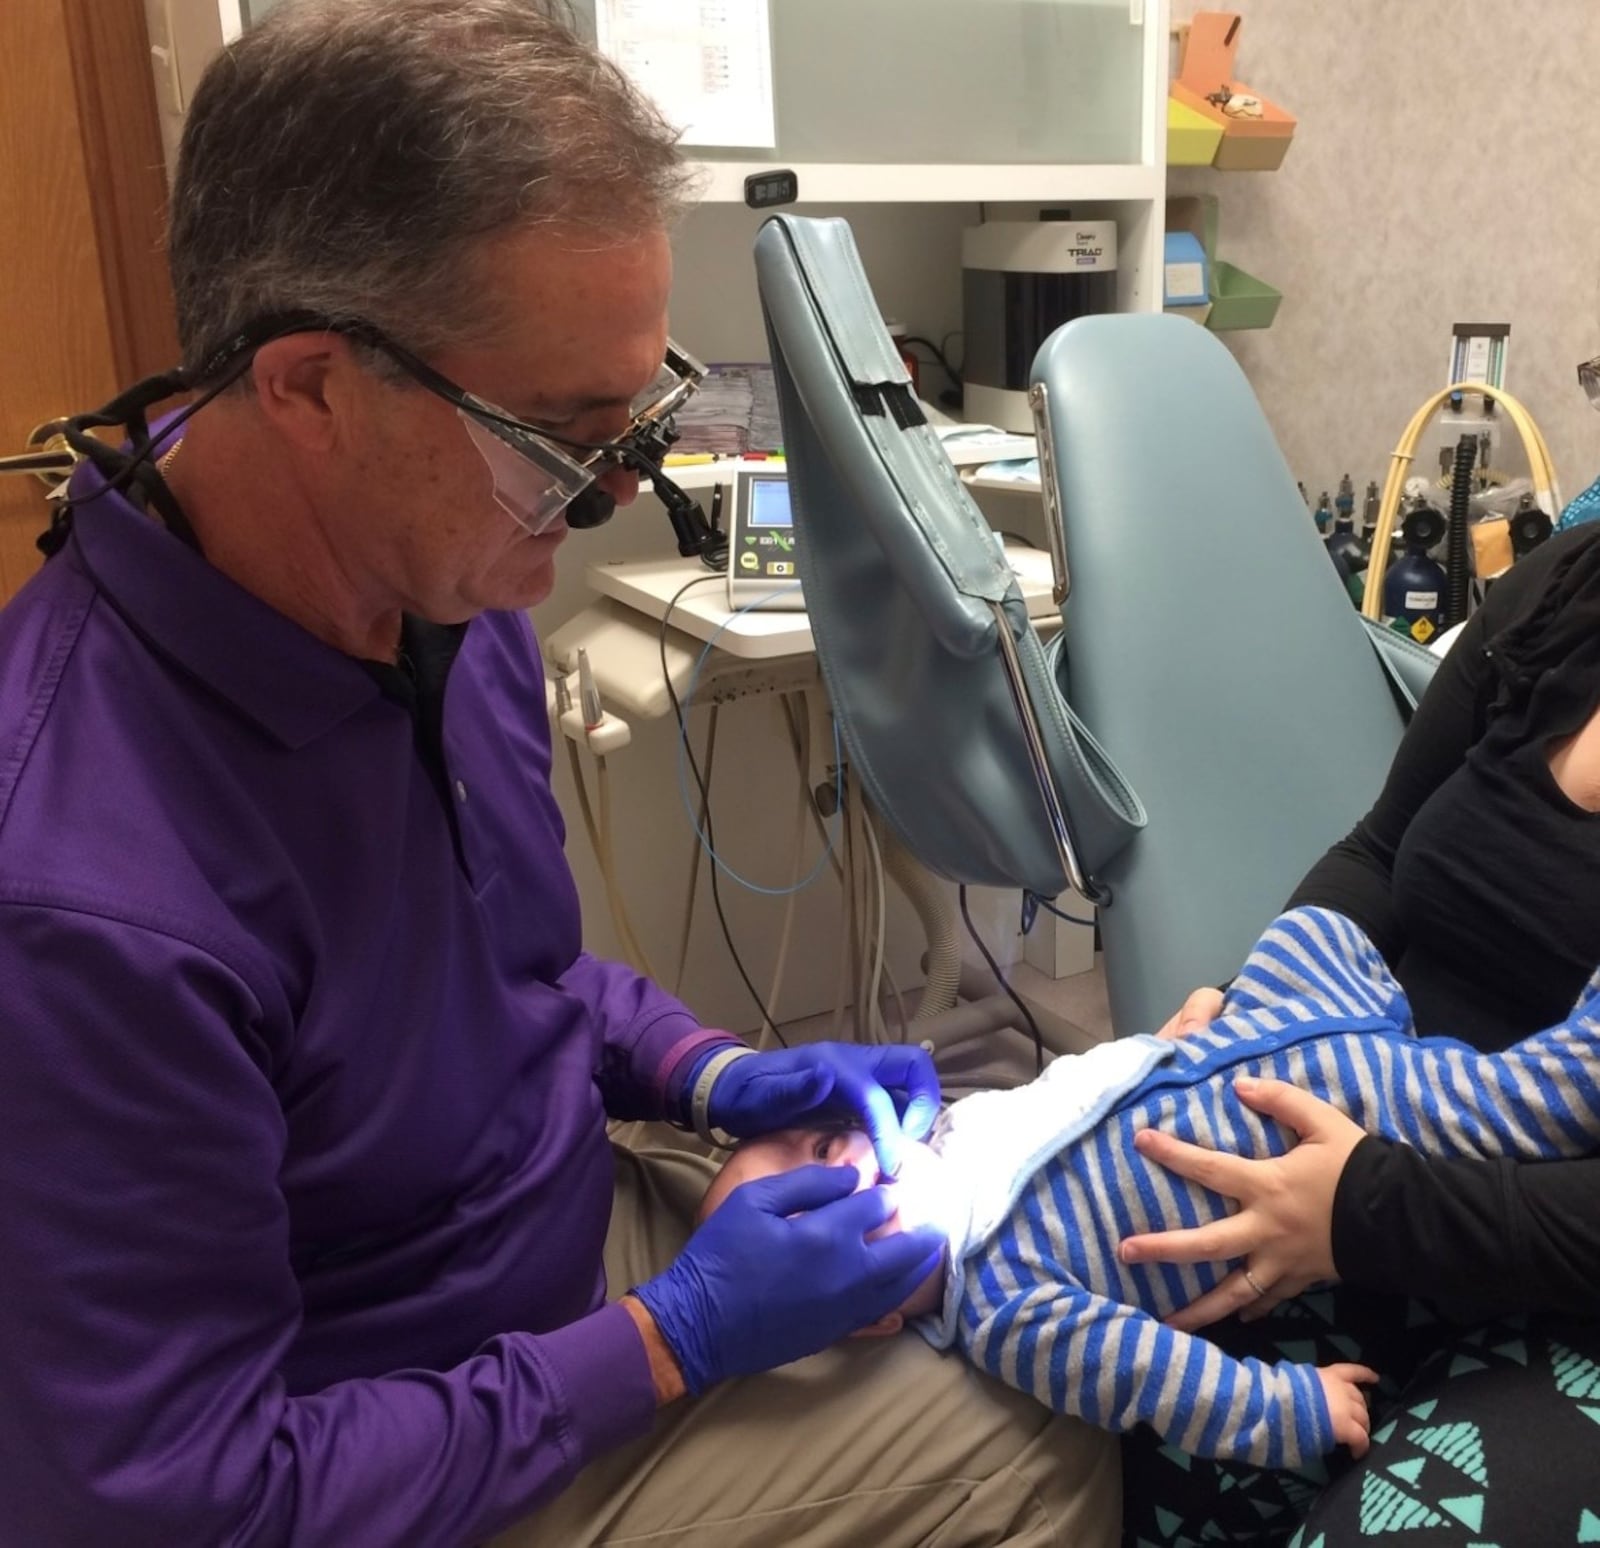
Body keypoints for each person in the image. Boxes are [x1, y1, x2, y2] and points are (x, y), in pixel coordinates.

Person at [0, 3, 1121, 1544]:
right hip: (390, 1451)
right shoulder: (84, 906)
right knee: (1053, 1438)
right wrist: (667, 1343)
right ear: (312, 388)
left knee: (1066, 1255)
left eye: (636, 418)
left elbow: (515, 982)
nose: (602, 505)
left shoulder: (433, 602)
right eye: (559, 435)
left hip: (555, 1245)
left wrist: (713, 1074)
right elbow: (184, 1504)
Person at [695, 905, 1600, 1470]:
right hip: (1343, 1127)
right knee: (1541, 1100)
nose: (852, 1167)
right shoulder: (1007, 1308)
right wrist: (1289, 1411)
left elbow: (1069, 1090)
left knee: (1309, 929)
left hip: (1243, 1038)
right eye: (823, 1207)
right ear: (873, 1318)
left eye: (824, 1143)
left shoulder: (953, 1131)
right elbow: (1159, 1378)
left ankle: (1390, 1019)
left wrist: (1153, 1050)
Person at [1119, 521, 1600, 1545]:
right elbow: (1379, 853)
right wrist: (1258, 1006)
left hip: (1559, 1286)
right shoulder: (1566, 589)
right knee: (1105, 1427)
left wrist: (1364, 1211)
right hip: (1349, 1188)